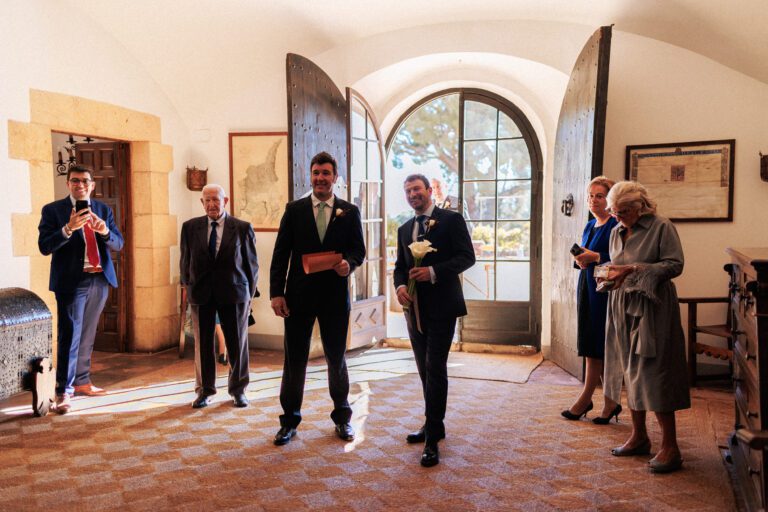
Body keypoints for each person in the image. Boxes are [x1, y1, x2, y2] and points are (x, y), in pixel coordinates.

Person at [270, 151, 365, 446]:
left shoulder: (349, 211)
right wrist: (276, 293)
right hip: (298, 297)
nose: (320, 178)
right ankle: (289, 422)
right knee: (294, 360)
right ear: (309, 176)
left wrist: (349, 263)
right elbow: (280, 254)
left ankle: (342, 419)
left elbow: (358, 251)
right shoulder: (294, 210)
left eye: (326, 173)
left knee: (336, 359)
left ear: (335, 178)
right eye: (315, 173)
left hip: (335, 298)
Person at [600, 181, 690, 473]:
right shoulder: (615, 230)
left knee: (656, 371)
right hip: (620, 305)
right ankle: (639, 437)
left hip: (652, 307)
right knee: (628, 368)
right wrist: (608, 275)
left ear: (640, 207)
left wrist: (634, 270)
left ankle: (671, 447)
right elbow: (617, 264)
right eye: (614, 211)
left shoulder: (662, 227)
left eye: (623, 211)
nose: (617, 217)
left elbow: (675, 265)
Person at [393, 174, 475, 467]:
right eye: (408, 191)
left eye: (417, 189)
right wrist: (401, 287)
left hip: (442, 306)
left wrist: (433, 272)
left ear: (429, 191)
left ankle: (431, 440)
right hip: (413, 310)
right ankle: (433, 425)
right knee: (423, 368)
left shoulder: (451, 220)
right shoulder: (404, 229)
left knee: (434, 366)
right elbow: (399, 267)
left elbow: (467, 257)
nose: (413, 194)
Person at [38, 165, 124, 414]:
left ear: (92, 184)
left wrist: (104, 231)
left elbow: (118, 243)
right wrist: (68, 228)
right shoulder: (53, 210)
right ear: (68, 184)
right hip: (71, 283)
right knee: (70, 336)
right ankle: (63, 392)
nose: (80, 185)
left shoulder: (103, 210)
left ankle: (83, 382)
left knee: (87, 335)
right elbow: (45, 246)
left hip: (99, 279)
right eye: (75, 181)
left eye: (85, 181)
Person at [179, 184, 259, 409]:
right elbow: (185, 261)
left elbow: (252, 265)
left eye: (216, 199)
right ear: (202, 203)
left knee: (236, 344)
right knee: (203, 345)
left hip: (234, 293)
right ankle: (204, 391)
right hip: (201, 293)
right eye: (208, 200)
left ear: (225, 201)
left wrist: (249, 295)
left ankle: (238, 390)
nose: (212, 204)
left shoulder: (242, 228)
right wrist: (188, 286)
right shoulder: (189, 227)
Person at [561, 176, 621, 423]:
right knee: (589, 341)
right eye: (591, 196)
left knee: (601, 344)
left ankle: (589, 398)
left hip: (605, 291)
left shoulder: (615, 225)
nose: (594, 200)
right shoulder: (589, 226)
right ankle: (609, 402)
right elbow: (587, 256)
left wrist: (595, 256)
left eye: (600, 196)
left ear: (610, 200)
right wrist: (581, 259)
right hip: (586, 287)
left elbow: (620, 258)